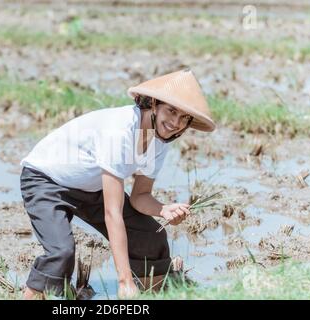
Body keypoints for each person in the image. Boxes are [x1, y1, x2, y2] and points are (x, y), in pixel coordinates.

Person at [19, 68, 216, 299]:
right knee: (61, 253)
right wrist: (124, 280)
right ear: (153, 103)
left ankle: (154, 293)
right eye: (171, 111)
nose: (175, 123)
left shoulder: (159, 141)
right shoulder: (120, 131)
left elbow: (140, 196)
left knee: (150, 237)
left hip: (91, 186)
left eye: (184, 118)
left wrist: (163, 209)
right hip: (46, 180)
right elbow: (113, 214)